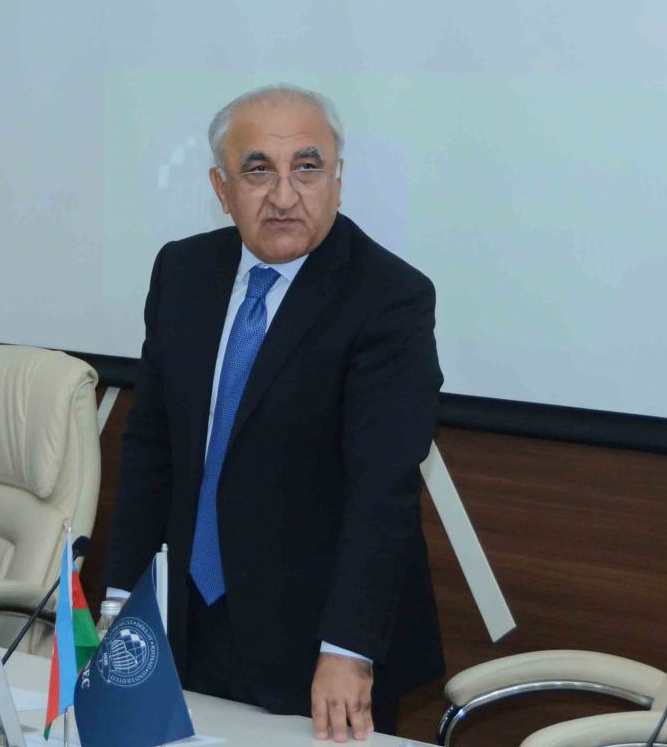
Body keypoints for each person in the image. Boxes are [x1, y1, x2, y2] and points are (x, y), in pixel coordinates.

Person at [104, 85, 444, 742]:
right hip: (187, 621)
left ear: (337, 180)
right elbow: (152, 449)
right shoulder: (182, 272)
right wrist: (122, 599)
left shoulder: (389, 298)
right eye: (258, 170)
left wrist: (347, 649)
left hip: (316, 638)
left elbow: (382, 489)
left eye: (307, 168)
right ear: (221, 187)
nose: (284, 195)